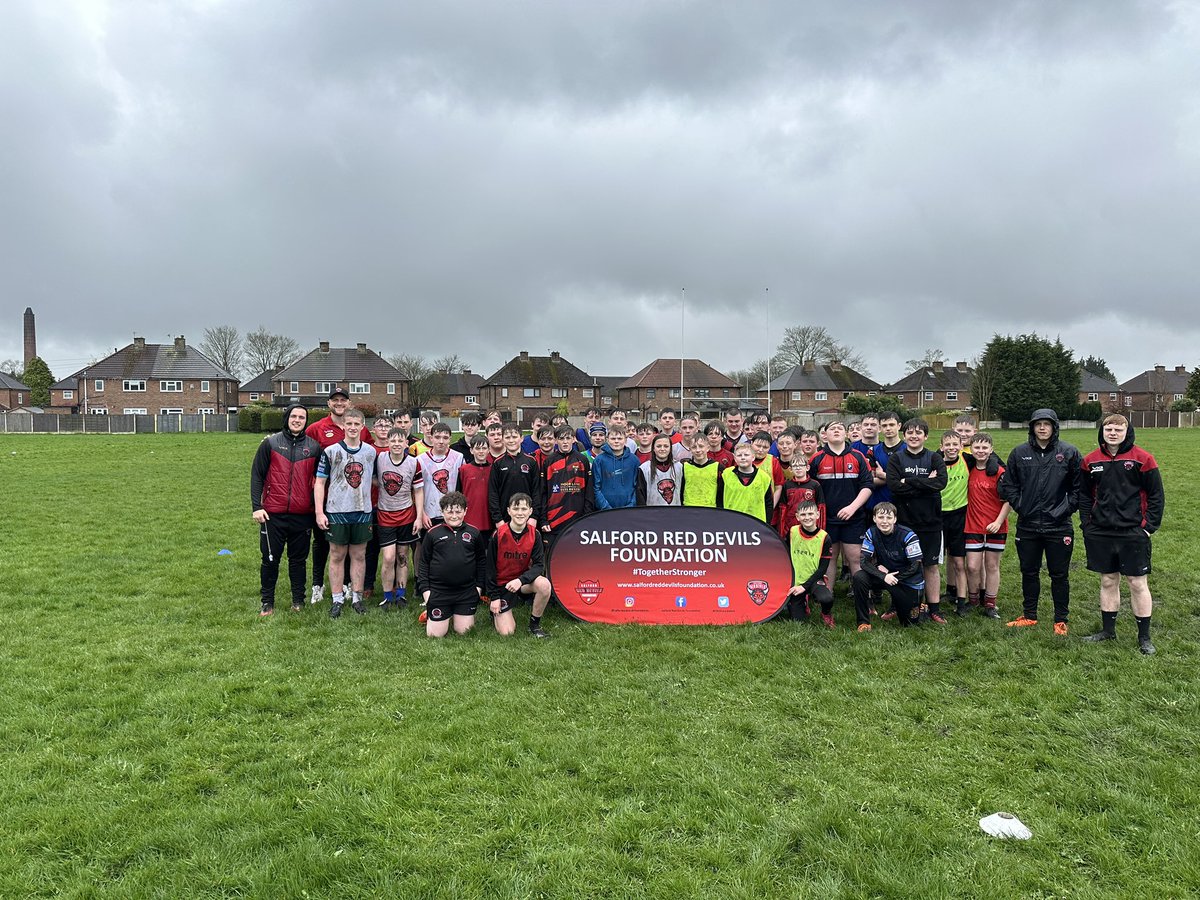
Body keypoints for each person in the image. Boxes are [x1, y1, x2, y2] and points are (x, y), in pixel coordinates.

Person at [1079, 414, 1164, 655]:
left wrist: (1148, 527)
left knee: (1137, 583)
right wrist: (1087, 523)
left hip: (1133, 532)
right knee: (1108, 580)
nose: (1113, 433)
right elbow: (1084, 495)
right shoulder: (1090, 461)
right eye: (1109, 429)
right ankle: (1108, 631)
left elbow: (1156, 495)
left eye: (1118, 429)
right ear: (1102, 432)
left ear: (1127, 432)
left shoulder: (1143, 459)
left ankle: (1144, 637)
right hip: (1101, 532)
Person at [999, 409, 1084, 634]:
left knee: (1059, 574)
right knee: (1029, 571)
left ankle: (1060, 619)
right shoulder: (1019, 453)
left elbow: (1079, 489)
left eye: (1047, 424)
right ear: (1032, 427)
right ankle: (1029, 615)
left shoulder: (1069, 453)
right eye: (1038, 424)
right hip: (1028, 526)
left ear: (1055, 427)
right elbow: (1009, 485)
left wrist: (1063, 510)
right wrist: (1021, 506)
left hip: (1059, 526)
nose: (1042, 428)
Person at [250, 404, 321, 615]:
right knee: (270, 559)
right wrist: (257, 507)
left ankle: (298, 601)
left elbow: (321, 482)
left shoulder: (314, 447)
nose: (297, 420)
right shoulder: (270, 444)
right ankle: (267, 602)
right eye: (294, 416)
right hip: (273, 514)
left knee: (298, 561)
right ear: (287, 418)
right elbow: (257, 476)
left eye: (302, 417)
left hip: (302, 515)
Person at [314, 408, 378, 618]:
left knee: (359, 555)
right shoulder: (331, 451)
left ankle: (357, 598)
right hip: (337, 510)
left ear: (362, 426)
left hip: (362, 511)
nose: (352, 428)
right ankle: (337, 598)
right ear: (344, 426)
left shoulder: (370, 452)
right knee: (337, 555)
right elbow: (320, 482)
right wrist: (319, 512)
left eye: (356, 424)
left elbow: (377, 479)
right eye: (348, 424)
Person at [886, 418, 948, 623]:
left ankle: (934, 608)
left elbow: (940, 483)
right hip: (903, 523)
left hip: (930, 522)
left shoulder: (934, 458)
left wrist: (910, 482)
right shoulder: (896, 458)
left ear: (926, 436)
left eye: (918, 433)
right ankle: (898, 604)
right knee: (901, 564)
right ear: (904, 436)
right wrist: (925, 482)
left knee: (930, 566)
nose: (914, 436)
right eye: (910, 433)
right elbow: (894, 485)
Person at [808, 420, 873, 582]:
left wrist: (852, 508)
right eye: (832, 428)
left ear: (846, 434)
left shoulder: (858, 457)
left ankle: (864, 599)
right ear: (825, 435)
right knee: (829, 558)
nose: (836, 431)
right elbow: (810, 489)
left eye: (840, 428)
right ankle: (827, 598)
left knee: (856, 559)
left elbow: (868, 486)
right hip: (827, 519)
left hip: (854, 518)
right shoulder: (816, 459)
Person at [417, 491, 486, 638]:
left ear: (465, 511)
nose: (454, 516)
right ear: (442, 512)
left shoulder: (474, 533)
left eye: (458, 511)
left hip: (466, 592)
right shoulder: (432, 534)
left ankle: (454, 613)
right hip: (439, 592)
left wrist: (478, 589)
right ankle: (432, 611)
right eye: (449, 512)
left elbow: (481, 562)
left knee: (464, 632)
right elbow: (423, 564)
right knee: (435, 635)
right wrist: (426, 593)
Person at [488, 493, 554, 638]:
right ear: (509, 510)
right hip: (503, 586)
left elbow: (538, 566)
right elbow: (490, 570)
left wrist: (520, 580)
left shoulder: (535, 534)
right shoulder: (498, 535)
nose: (520, 513)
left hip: (522, 583)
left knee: (544, 585)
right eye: (516, 508)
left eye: (524, 509)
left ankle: (534, 625)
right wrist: (494, 597)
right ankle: (495, 611)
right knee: (507, 632)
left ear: (530, 511)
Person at [305, 388, 349, 604]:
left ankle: (348, 584)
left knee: (348, 541)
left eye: (343, 400)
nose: (339, 403)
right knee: (322, 541)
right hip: (324, 493)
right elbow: (305, 458)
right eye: (335, 400)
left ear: (348, 404)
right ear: (329, 403)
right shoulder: (316, 429)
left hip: (349, 496)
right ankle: (317, 585)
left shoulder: (355, 427)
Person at [852, 503, 924, 631]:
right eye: (880, 517)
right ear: (874, 518)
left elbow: (915, 566)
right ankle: (863, 622)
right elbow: (864, 562)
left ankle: (920, 607)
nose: (884, 521)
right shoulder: (871, 532)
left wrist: (893, 578)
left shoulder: (908, 535)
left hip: (908, 579)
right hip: (886, 576)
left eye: (889, 517)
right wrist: (884, 576)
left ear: (895, 519)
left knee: (909, 624)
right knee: (859, 577)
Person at [374, 426, 424, 610]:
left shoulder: (413, 462)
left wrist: (419, 517)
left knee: (403, 556)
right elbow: (373, 480)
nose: (396, 444)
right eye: (392, 441)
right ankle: (388, 595)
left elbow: (418, 490)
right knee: (388, 557)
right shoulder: (379, 459)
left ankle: (401, 595)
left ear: (406, 443)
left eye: (399, 441)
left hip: (406, 514)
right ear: (387, 443)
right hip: (385, 514)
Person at [964, 433, 1009, 620]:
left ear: (991, 450)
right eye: (977, 448)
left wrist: (998, 522)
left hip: (996, 526)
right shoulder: (968, 469)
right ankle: (973, 600)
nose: (980, 451)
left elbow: (1009, 501)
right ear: (971, 449)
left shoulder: (1000, 472)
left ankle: (990, 603)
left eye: (984, 448)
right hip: (972, 525)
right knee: (973, 566)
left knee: (992, 565)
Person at [541, 426, 593, 542]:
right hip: (554, 522)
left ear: (574, 439)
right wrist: (543, 520)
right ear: (555, 441)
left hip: (577, 521)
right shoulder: (548, 462)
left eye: (568, 438)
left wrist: (587, 517)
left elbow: (589, 492)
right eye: (561, 438)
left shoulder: (582, 460)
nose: (565, 442)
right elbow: (543, 492)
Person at [938, 430, 970, 616]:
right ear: (941, 446)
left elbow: (993, 459)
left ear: (961, 446)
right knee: (932, 562)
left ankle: (961, 602)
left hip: (959, 517)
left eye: (954, 445)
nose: (951, 448)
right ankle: (929, 600)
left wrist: (992, 463)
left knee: (959, 561)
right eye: (947, 445)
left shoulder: (967, 459)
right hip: (938, 518)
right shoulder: (934, 461)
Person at [786, 500, 834, 625]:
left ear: (817, 515)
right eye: (803, 515)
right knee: (797, 621)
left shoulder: (825, 537)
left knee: (827, 599)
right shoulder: (792, 532)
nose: (807, 517)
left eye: (810, 514)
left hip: (814, 578)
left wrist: (804, 587)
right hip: (795, 580)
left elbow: (822, 569)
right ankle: (803, 602)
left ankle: (826, 613)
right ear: (797, 517)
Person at [489, 425, 545, 528]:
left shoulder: (531, 461)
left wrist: (534, 517)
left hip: (527, 517)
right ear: (503, 439)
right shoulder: (497, 463)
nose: (511, 440)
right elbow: (493, 493)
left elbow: (537, 491)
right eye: (507, 437)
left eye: (514, 437)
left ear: (521, 438)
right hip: (504, 519)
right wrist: (498, 519)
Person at [417, 422, 465, 530]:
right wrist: (422, 514)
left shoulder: (458, 458)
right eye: (437, 437)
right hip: (429, 514)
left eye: (445, 438)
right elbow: (416, 490)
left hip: (452, 513)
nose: (441, 441)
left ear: (450, 439)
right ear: (431, 438)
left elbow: (464, 486)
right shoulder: (420, 460)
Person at [717, 443, 774, 523]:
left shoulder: (764, 477)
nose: (743, 458)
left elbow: (769, 504)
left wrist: (766, 525)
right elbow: (719, 500)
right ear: (735, 458)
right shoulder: (726, 475)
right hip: (732, 522)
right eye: (739, 455)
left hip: (757, 524)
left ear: (753, 457)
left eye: (746, 455)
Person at [592, 425, 639, 509]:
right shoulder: (599, 460)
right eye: (613, 439)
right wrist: (606, 508)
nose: (616, 441)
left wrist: (631, 506)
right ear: (607, 440)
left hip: (629, 510)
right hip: (605, 511)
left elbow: (638, 487)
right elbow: (596, 488)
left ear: (625, 440)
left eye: (620, 438)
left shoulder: (634, 460)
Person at [457, 435, 493, 539]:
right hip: (470, 518)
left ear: (489, 450)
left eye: (484, 448)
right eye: (477, 448)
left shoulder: (494, 469)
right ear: (471, 450)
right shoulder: (463, 470)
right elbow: (458, 494)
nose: (481, 451)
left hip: (489, 519)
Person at [637, 433, 684, 506]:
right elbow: (640, 496)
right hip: (652, 514)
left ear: (670, 448)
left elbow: (682, 492)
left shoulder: (679, 467)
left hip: (675, 512)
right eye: (659, 446)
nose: (662, 449)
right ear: (653, 448)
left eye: (666, 446)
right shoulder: (644, 469)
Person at [681, 433, 721, 507]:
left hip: (710, 509)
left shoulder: (717, 467)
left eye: (701, 446)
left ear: (708, 448)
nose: (698, 450)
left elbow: (721, 492)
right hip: (688, 509)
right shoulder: (684, 467)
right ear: (690, 449)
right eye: (694, 447)